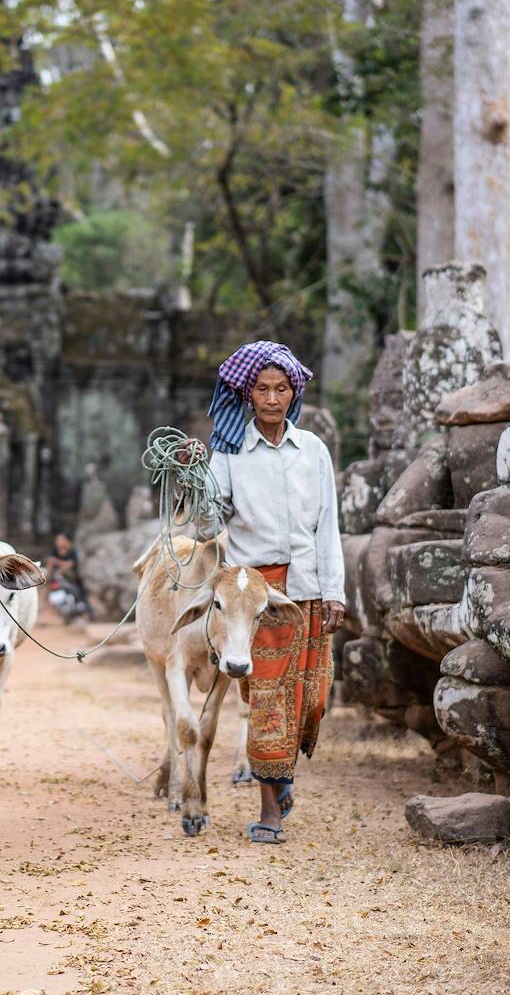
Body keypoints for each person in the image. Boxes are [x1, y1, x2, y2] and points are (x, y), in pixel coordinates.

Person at [196, 341, 345, 845]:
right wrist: (196, 480)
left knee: (311, 699)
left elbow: (329, 527)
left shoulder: (314, 452)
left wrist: (336, 592)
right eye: (262, 388)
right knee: (267, 700)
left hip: (308, 589)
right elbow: (205, 525)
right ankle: (270, 809)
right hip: (254, 596)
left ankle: (281, 777)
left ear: (293, 392)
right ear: (248, 394)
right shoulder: (229, 453)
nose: (272, 398)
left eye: (281, 388)